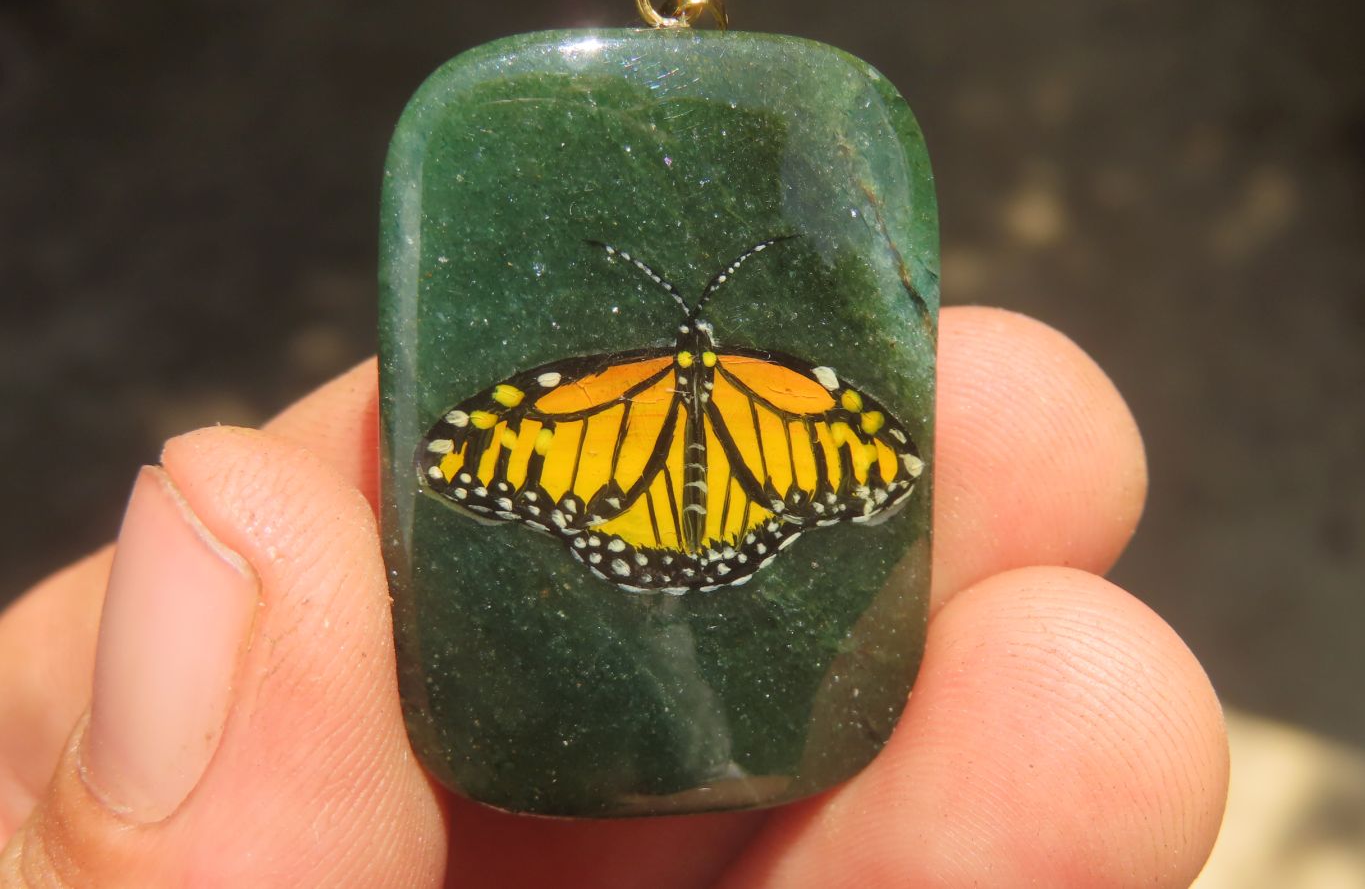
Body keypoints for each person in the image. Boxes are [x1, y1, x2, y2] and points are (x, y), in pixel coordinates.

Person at [0, 307, 1228, 888]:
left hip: (672, 511)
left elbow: (861, 454)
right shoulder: (776, 394)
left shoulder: (642, 396)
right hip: (702, 509)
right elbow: (480, 448)